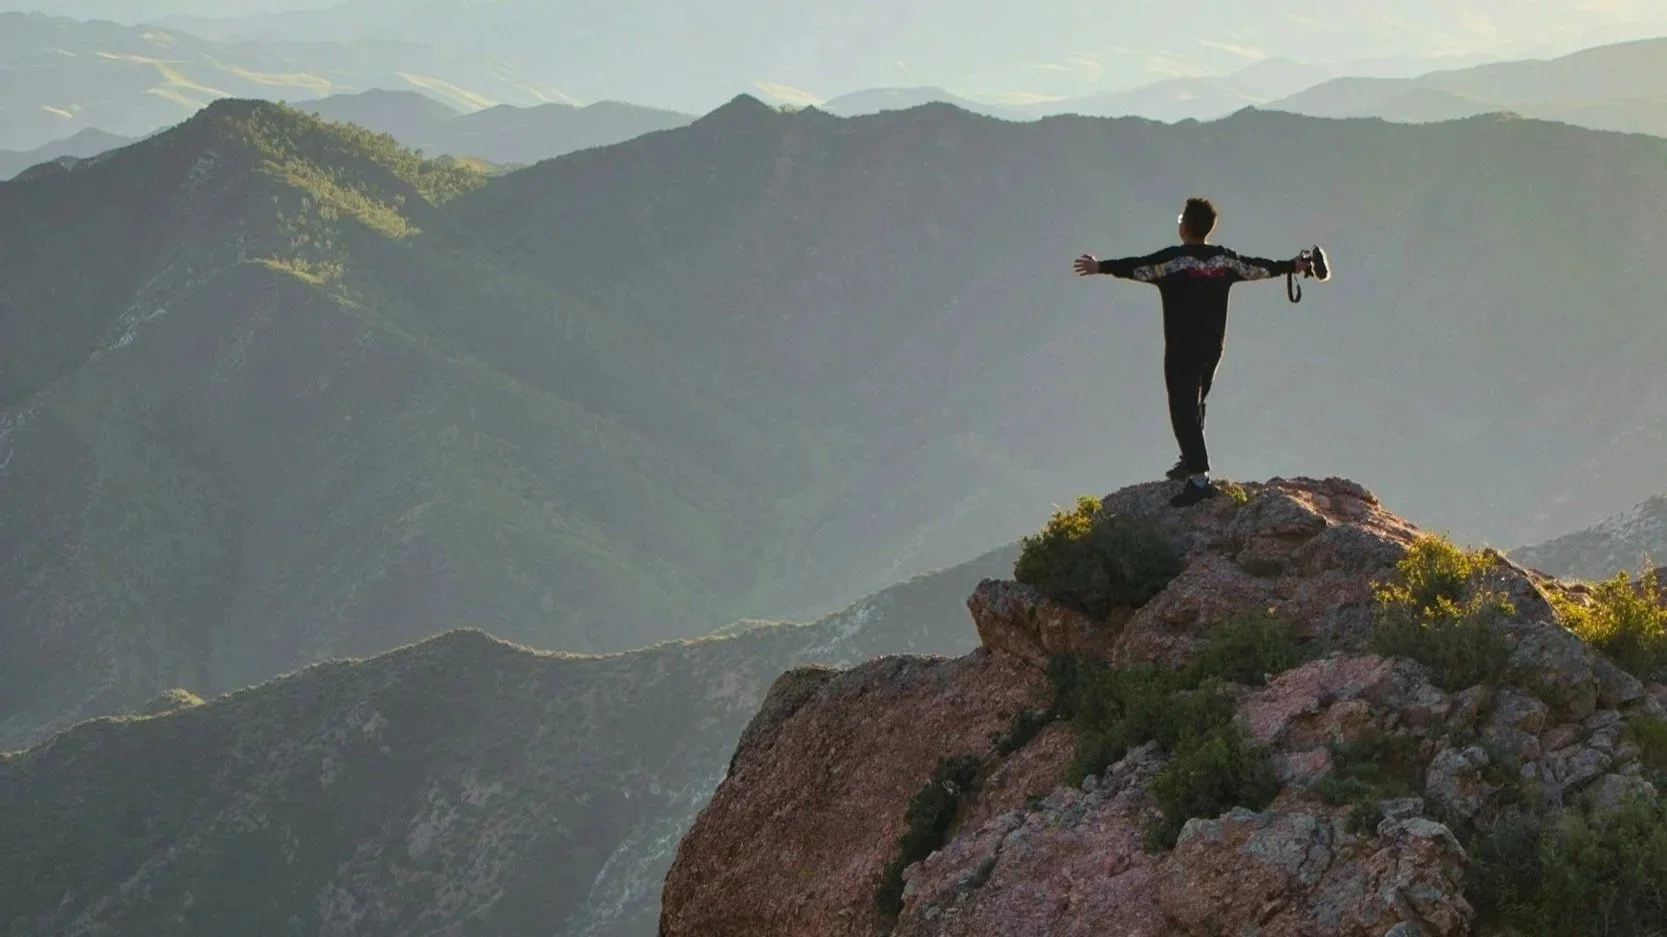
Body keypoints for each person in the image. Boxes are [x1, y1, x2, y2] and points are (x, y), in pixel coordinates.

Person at [1073, 197, 1310, 508]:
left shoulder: (1174, 263)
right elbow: (1258, 267)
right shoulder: (1223, 262)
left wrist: (1100, 267)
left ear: (1184, 227)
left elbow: (1138, 267)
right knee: (1197, 402)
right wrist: (1292, 266)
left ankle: (1199, 478)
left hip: (1182, 348)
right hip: (1212, 345)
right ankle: (1189, 460)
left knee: (1183, 408)